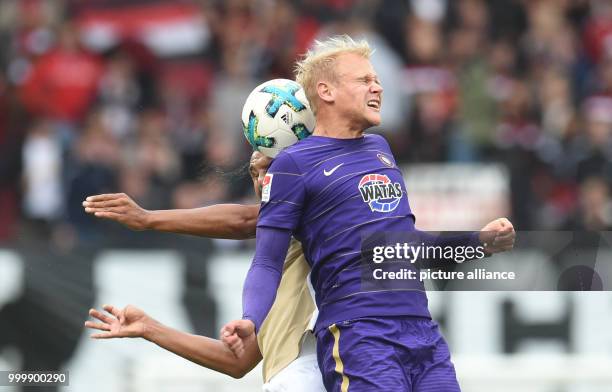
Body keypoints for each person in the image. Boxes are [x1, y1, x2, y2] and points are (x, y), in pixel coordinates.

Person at [220, 35, 515, 392]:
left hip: (422, 332)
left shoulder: (380, 148)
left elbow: (405, 245)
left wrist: (477, 242)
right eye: (364, 80)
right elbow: (267, 260)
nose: (377, 87)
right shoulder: (292, 165)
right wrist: (250, 318)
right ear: (326, 91)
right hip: (360, 335)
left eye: (376, 80)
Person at [83, 151, 325, 392]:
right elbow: (237, 361)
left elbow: (244, 220)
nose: (262, 181)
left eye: (270, 170)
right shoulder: (277, 270)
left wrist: (148, 218)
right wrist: (149, 328)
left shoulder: (320, 216)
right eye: (255, 173)